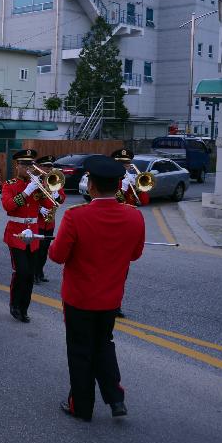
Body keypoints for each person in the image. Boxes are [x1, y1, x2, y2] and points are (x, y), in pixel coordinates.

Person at [49, 154, 145, 422]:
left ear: (90, 185)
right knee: (103, 344)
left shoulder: (76, 216)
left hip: (79, 298)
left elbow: (57, 256)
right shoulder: (134, 216)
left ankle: (82, 406)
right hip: (111, 297)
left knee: (80, 352)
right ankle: (115, 398)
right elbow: (135, 254)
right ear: (118, 185)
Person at [0, 149, 42, 323]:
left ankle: (24, 308)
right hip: (16, 233)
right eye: (24, 164)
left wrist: (49, 189)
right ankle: (14, 304)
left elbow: (54, 201)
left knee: (30, 274)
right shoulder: (9, 184)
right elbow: (8, 206)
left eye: (30, 164)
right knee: (21, 271)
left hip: (33, 233)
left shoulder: (38, 183)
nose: (28, 168)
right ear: (17, 165)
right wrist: (27, 191)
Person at [33, 155, 66, 284]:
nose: (48, 169)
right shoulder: (35, 181)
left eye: (50, 166)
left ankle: (40, 272)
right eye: (46, 166)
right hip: (37, 221)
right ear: (40, 167)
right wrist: (39, 209)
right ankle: (34, 273)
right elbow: (29, 201)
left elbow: (62, 199)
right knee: (37, 249)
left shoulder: (54, 180)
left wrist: (57, 194)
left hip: (49, 222)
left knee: (44, 249)